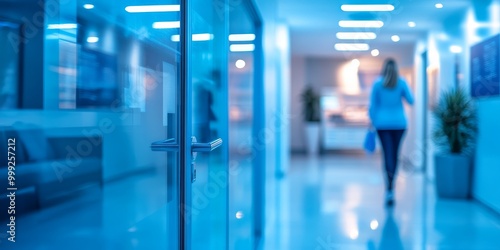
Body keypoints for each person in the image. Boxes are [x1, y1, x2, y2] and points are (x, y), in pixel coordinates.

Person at [368, 58, 414, 206]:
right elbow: (411, 100)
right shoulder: (401, 82)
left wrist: (372, 122)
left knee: (387, 154)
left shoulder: (377, 84)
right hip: (400, 124)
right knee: (395, 154)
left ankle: (389, 189)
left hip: (382, 124)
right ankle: (391, 186)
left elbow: (373, 107)